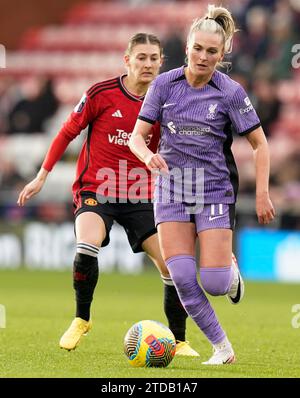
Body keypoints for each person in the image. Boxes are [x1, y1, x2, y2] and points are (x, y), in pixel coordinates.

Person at [17, 33, 199, 356]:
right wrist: (41, 176)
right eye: (140, 57)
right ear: (126, 60)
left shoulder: (165, 104)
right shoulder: (101, 94)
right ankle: (81, 319)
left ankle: (179, 339)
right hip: (96, 189)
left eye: (153, 58)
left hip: (141, 194)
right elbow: (67, 132)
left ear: (161, 63)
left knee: (172, 264)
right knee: (86, 243)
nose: (147, 64)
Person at [129, 5, 275, 365]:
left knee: (212, 281)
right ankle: (222, 349)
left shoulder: (230, 92)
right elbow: (136, 137)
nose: (203, 56)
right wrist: (148, 157)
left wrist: (261, 194)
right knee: (180, 276)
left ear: (222, 54)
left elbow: (260, 144)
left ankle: (229, 271)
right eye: (198, 48)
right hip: (171, 190)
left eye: (212, 51)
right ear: (188, 47)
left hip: (212, 191)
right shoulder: (164, 84)